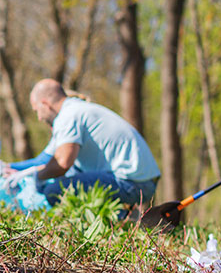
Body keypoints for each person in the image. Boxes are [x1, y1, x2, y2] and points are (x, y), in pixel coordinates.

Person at [28, 79, 161, 206]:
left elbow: (62, 164)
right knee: (71, 175)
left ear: (45, 104)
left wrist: (37, 177)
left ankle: (113, 222)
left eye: (36, 111)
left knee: (53, 191)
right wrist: (17, 170)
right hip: (143, 180)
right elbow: (47, 161)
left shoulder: (67, 116)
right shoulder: (77, 109)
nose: (39, 118)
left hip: (132, 183)